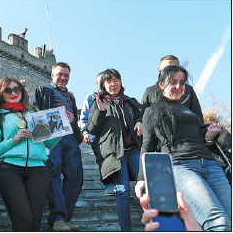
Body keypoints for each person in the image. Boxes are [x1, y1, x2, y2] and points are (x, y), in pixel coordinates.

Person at [135, 65, 231, 231]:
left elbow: (199, 139)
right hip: (181, 166)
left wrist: (208, 137)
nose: (179, 87)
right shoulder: (152, 111)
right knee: (217, 221)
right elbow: (147, 144)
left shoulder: (189, 111)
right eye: (173, 82)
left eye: (182, 83)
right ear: (161, 85)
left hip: (210, 165)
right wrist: (141, 178)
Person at [0, 77, 61, 231]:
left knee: (35, 224)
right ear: (1, 94)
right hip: (10, 170)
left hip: (38, 170)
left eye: (17, 89)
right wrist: (14, 139)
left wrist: (61, 129)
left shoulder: (34, 114)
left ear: (22, 91)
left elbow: (49, 144)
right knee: (23, 221)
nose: (13, 93)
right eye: (8, 90)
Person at [86, 69, 143, 231]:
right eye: (109, 81)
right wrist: (101, 111)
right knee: (123, 192)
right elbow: (92, 128)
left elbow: (143, 113)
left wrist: (140, 121)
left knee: (145, 188)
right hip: (115, 154)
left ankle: (154, 224)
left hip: (134, 150)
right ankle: (126, 229)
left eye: (116, 80)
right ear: (103, 85)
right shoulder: (98, 103)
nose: (113, 84)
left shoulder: (130, 101)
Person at [31, 62, 83, 231]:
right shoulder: (42, 90)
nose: (63, 78)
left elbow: (74, 118)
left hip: (70, 138)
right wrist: (57, 115)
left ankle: (65, 218)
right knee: (53, 172)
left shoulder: (71, 96)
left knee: (76, 176)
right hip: (52, 135)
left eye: (66, 75)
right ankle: (58, 218)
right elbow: (32, 109)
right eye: (59, 74)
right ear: (52, 75)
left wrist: (73, 120)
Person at [79, 73, 115, 196]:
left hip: (112, 135)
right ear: (97, 83)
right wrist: (85, 132)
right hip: (96, 135)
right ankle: (108, 184)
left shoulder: (114, 97)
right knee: (102, 159)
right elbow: (84, 117)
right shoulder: (91, 97)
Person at [142, 55, 204, 123]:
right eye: (167, 68)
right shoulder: (150, 91)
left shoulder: (189, 90)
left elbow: (198, 117)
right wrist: (139, 122)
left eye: (175, 67)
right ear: (159, 71)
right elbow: (142, 116)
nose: (172, 71)